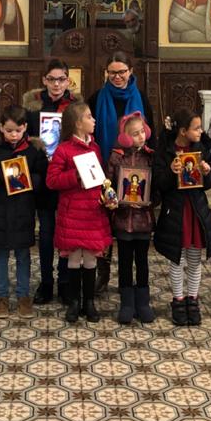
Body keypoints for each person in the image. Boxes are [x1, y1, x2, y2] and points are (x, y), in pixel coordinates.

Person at [86, 52, 155, 293]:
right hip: (105, 168)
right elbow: (88, 133)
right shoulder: (96, 98)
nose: (117, 77)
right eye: (112, 72)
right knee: (102, 224)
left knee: (128, 227)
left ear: (130, 71)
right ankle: (102, 273)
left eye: (122, 72)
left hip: (135, 171)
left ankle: (132, 281)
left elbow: (151, 135)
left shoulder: (141, 99)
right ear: (106, 73)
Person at [46, 102, 114, 322]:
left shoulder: (95, 147)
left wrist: (106, 194)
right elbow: (52, 180)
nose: (93, 120)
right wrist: (75, 175)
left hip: (92, 211)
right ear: (77, 123)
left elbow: (99, 177)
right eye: (89, 117)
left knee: (91, 258)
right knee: (75, 258)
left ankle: (89, 302)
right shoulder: (63, 150)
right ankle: (74, 301)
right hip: (73, 213)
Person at [0, 105, 47, 320]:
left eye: (18, 130)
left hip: (23, 211)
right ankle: (2, 297)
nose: (14, 135)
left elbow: (42, 178)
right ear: (1, 127)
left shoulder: (34, 150)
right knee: (0, 255)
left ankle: (23, 296)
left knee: (23, 255)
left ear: (25, 127)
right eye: (9, 131)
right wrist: (5, 171)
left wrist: (26, 176)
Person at [23, 59, 81, 305]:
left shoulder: (75, 106)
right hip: (43, 176)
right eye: (52, 79)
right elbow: (25, 139)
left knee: (66, 231)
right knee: (46, 232)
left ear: (68, 81)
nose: (56, 84)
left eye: (61, 79)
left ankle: (65, 280)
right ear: (44, 80)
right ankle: (46, 282)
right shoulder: (33, 106)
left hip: (67, 176)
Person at [152, 110, 211, 326]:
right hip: (176, 212)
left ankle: (193, 300)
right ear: (183, 131)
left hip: (196, 210)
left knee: (194, 258)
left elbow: (207, 185)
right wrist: (171, 172)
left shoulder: (201, 149)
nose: (201, 131)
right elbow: (159, 184)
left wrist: (207, 172)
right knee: (176, 258)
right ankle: (178, 300)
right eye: (196, 128)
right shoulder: (165, 151)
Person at [105, 112, 156, 324]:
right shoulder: (117, 157)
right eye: (135, 134)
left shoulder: (151, 157)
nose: (141, 136)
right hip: (123, 219)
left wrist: (149, 200)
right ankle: (127, 302)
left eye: (142, 131)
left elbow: (156, 186)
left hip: (143, 220)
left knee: (142, 262)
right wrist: (116, 200)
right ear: (125, 137)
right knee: (125, 262)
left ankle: (143, 302)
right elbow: (108, 184)